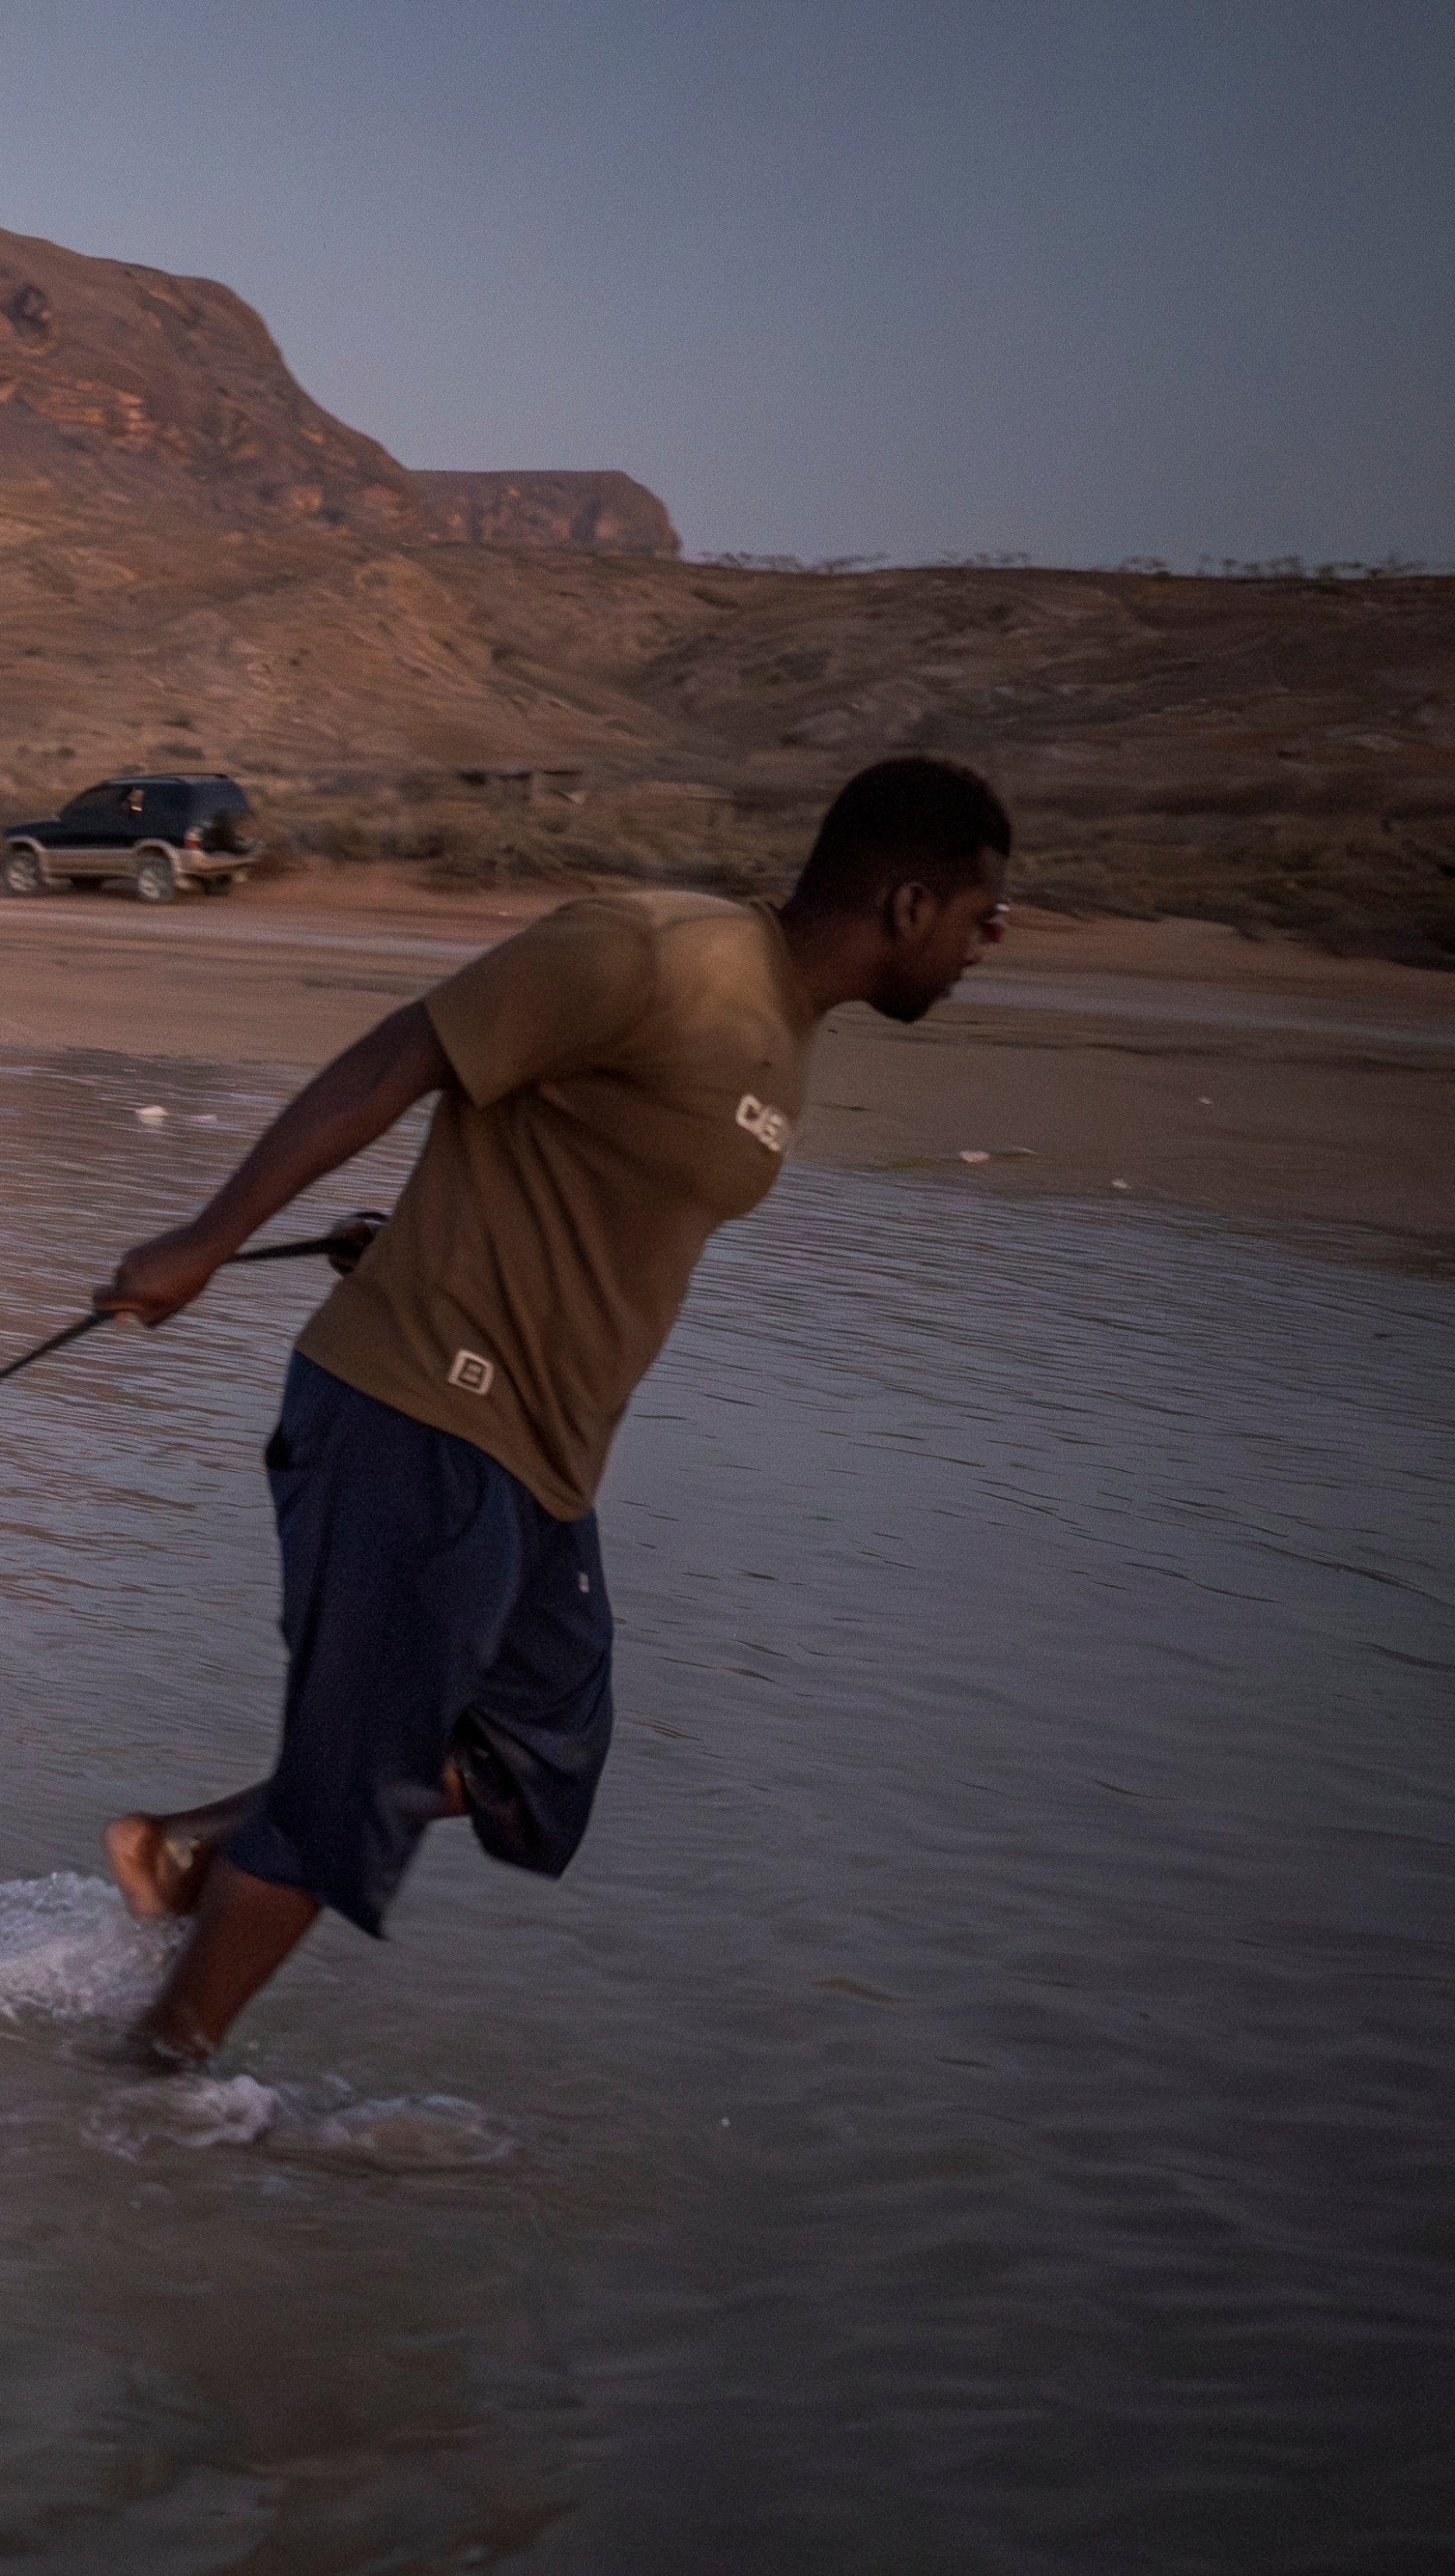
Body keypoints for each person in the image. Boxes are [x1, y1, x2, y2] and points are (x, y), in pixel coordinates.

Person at [93, 755, 1014, 2068]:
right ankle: (151, 2087)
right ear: (913, 900)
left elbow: (570, 1158)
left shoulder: (782, 1029)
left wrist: (416, 1227)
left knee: (542, 1762)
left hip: (540, 1460)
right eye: (985, 915)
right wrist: (205, 1235)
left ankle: (182, 1852)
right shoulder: (656, 953)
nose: (994, 942)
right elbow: (410, 1050)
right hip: (419, 1412)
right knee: (351, 1783)